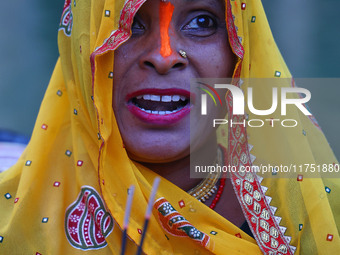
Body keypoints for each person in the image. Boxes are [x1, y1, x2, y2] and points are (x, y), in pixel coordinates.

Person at [0, 0, 339, 254]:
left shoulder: (309, 214)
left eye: (202, 22)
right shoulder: (12, 222)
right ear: (80, 46)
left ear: (242, 51)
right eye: (129, 23)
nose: (163, 56)